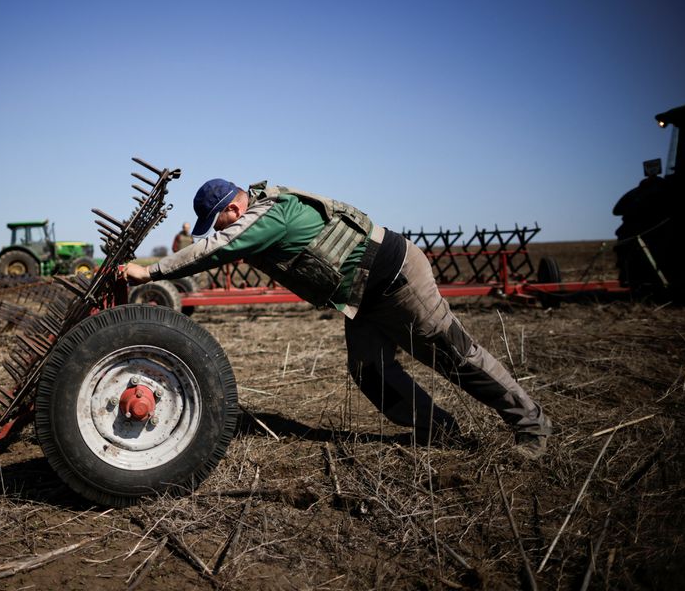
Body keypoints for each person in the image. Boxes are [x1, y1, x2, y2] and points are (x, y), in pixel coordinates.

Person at [124, 178, 552, 459]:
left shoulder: (268, 215)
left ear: (233, 209)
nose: (219, 230)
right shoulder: (259, 214)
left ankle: (531, 425)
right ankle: (437, 430)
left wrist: (151, 271)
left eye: (218, 222)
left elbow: (217, 249)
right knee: (369, 371)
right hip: (361, 297)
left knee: (453, 355)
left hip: (396, 277)